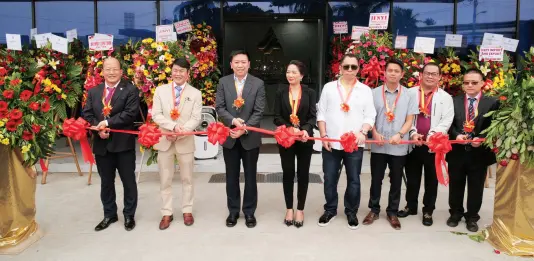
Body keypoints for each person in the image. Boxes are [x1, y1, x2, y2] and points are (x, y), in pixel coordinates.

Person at [316, 53, 376, 229]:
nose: (350, 70)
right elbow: (321, 113)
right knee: (329, 179)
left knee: (354, 180)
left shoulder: (364, 90)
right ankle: (330, 210)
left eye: (354, 67)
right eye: (346, 66)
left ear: (358, 69)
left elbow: (370, 115)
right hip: (331, 143)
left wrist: (363, 132)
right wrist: (324, 135)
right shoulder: (329, 88)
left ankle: (351, 212)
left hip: (354, 144)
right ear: (340, 68)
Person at [83, 57, 140, 231]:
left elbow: (130, 114)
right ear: (102, 72)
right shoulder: (94, 92)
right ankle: (109, 214)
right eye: (108, 69)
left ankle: (129, 215)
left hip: (123, 145)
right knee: (106, 182)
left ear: (121, 72)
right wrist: (97, 128)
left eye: (115, 69)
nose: (111, 72)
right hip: (102, 145)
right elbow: (87, 114)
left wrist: (106, 124)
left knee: (128, 181)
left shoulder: (130, 90)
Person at [363, 59, 418, 230]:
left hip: (398, 146)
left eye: (396, 71)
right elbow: (369, 117)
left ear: (402, 74)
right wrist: (374, 132)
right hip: (379, 144)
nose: (393, 73)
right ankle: (374, 209)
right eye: (390, 70)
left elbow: (410, 119)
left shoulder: (409, 94)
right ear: (384, 73)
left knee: (396, 180)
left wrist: (400, 134)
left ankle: (392, 211)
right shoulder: (373, 93)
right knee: (376, 179)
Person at [398, 62, 454, 226]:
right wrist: (413, 132)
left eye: (434, 74)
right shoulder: (409, 93)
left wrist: (431, 136)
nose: (430, 76)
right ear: (421, 75)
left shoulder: (445, 97)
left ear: (439, 77)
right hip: (413, 143)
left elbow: (447, 120)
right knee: (412, 179)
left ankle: (428, 211)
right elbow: (405, 117)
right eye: (427, 73)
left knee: (431, 181)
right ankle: (411, 206)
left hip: (433, 146)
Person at [215, 50, 266, 228]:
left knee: (251, 176)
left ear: (249, 64)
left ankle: (250, 212)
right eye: (236, 62)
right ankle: (233, 211)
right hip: (229, 136)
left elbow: (259, 111)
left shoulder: (258, 83)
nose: (240, 65)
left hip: (250, 137)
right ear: (231, 64)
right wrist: (232, 122)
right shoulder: (223, 82)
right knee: (231, 176)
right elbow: (219, 107)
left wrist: (243, 129)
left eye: (243, 62)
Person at [151, 58, 202, 230]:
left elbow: (196, 118)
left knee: (187, 178)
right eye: (175, 70)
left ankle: (187, 210)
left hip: (185, 140)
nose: (177, 73)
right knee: (165, 179)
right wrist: (172, 128)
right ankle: (167, 212)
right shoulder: (160, 90)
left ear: (188, 74)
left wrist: (180, 132)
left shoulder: (195, 93)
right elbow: (156, 115)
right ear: (171, 71)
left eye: (182, 71)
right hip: (165, 139)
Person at [446, 68, 499, 232]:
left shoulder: (492, 103)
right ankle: (455, 213)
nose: (470, 85)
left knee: (476, 187)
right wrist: (456, 135)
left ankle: (472, 217)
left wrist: (482, 140)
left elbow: (495, 127)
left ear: (482, 83)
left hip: (479, 153)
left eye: (474, 82)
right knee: (456, 185)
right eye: (466, 82)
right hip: (457, 151)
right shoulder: (453, 101)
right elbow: (448, 124)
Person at [273, 60, 317, 228]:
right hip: (286, 138)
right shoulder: (280, 92)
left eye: (294, 72)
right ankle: (289, 208)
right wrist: (289, 129)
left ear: (302, 75)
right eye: (288, 72)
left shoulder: (310, 93)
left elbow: (313, 116)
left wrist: (305, 129)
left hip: (305, 139)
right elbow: (276, 116)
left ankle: (300, 209)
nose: (290, 75)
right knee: (288, 172)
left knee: (303, 173)